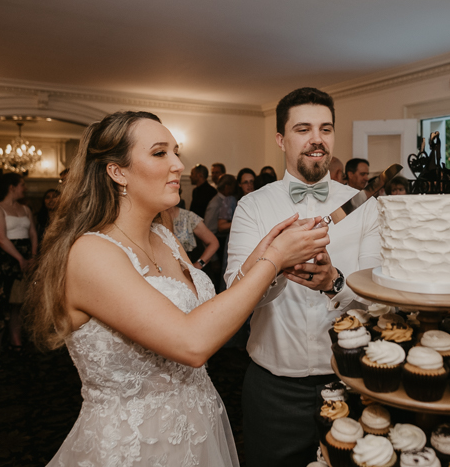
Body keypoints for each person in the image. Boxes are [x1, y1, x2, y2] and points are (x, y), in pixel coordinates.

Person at [24, 111, 328, 466]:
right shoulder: (91, 253)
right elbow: (191, 342)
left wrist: (265, 254)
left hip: (195, 426)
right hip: (134, 443)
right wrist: (273, 260)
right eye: (159, 153)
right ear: (117, 171)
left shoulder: (164, 236)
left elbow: (207, 313)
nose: (178, 164)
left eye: (176, 151)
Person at [227, 87, 381, 467]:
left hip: (354, 381)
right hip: (273, 389)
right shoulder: (252, 206)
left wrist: (335, 282)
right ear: (281, 138)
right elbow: (234, 293)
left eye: (325, 129)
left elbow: (380, 300)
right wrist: (277, 266)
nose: (317, 139)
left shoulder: (364, 207)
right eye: (303, 129)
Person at [0, 173, 38, 369]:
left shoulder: (25, 208)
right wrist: (20, 258)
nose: (24, 188)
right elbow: (0, 238)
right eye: (22, 184)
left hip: (25, 256)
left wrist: (32, 256)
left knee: (18, 303)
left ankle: (16, 341)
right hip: (5, 259)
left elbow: (33, 231)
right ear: (11, 187)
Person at [168, 204, 219, 269]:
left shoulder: (188, 217)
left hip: (183, 270)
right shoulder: (154, 218)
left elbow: (214, 242)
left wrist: (198, 265)